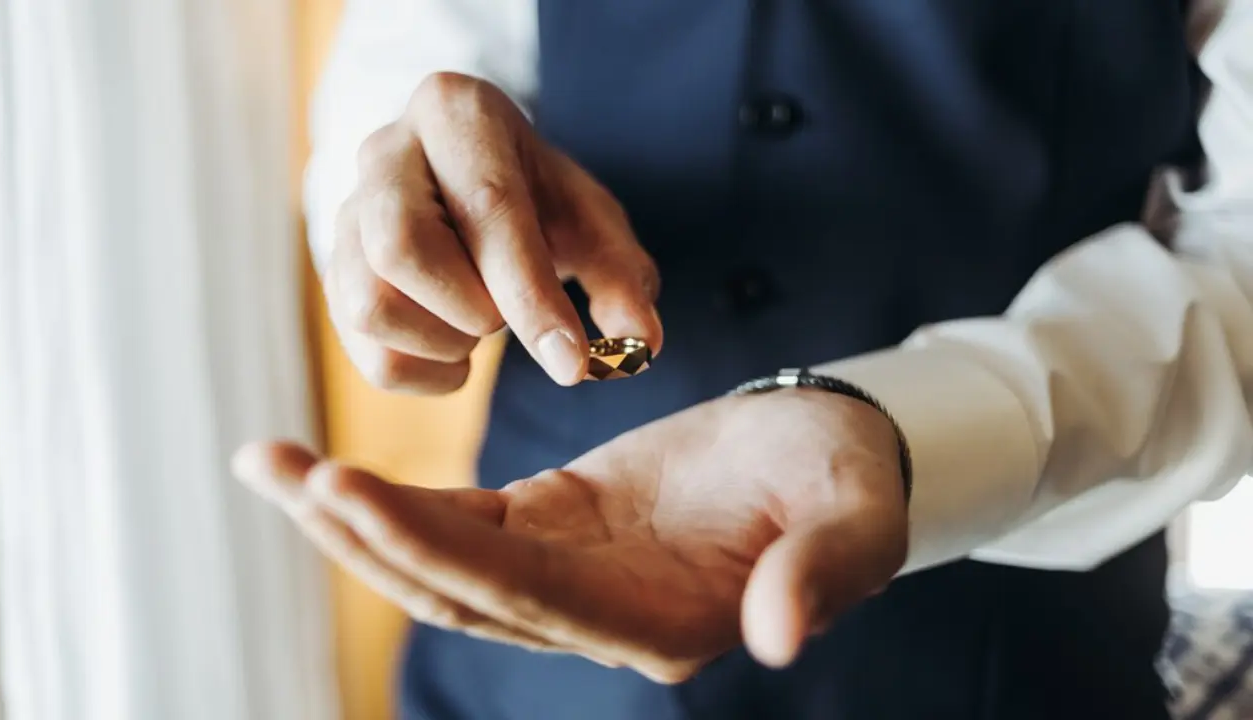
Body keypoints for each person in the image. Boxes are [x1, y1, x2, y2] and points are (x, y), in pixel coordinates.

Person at [232, 1, 1253, 718]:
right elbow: (405, 80)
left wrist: (926, 430)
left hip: (1001, 662)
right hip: (526, 665)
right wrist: (402, 233)